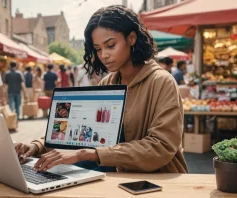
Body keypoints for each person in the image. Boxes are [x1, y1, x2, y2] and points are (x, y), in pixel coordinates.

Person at [14, 5, 188, 174]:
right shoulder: (108, 83)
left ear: (132, 38)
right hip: (111, 179)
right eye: (98, 49)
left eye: (110, 45)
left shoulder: (161, 82)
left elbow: (161, 146)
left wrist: (90, 153)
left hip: (154, 183)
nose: (104, 55)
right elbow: (72, 131)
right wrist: (35, 146)